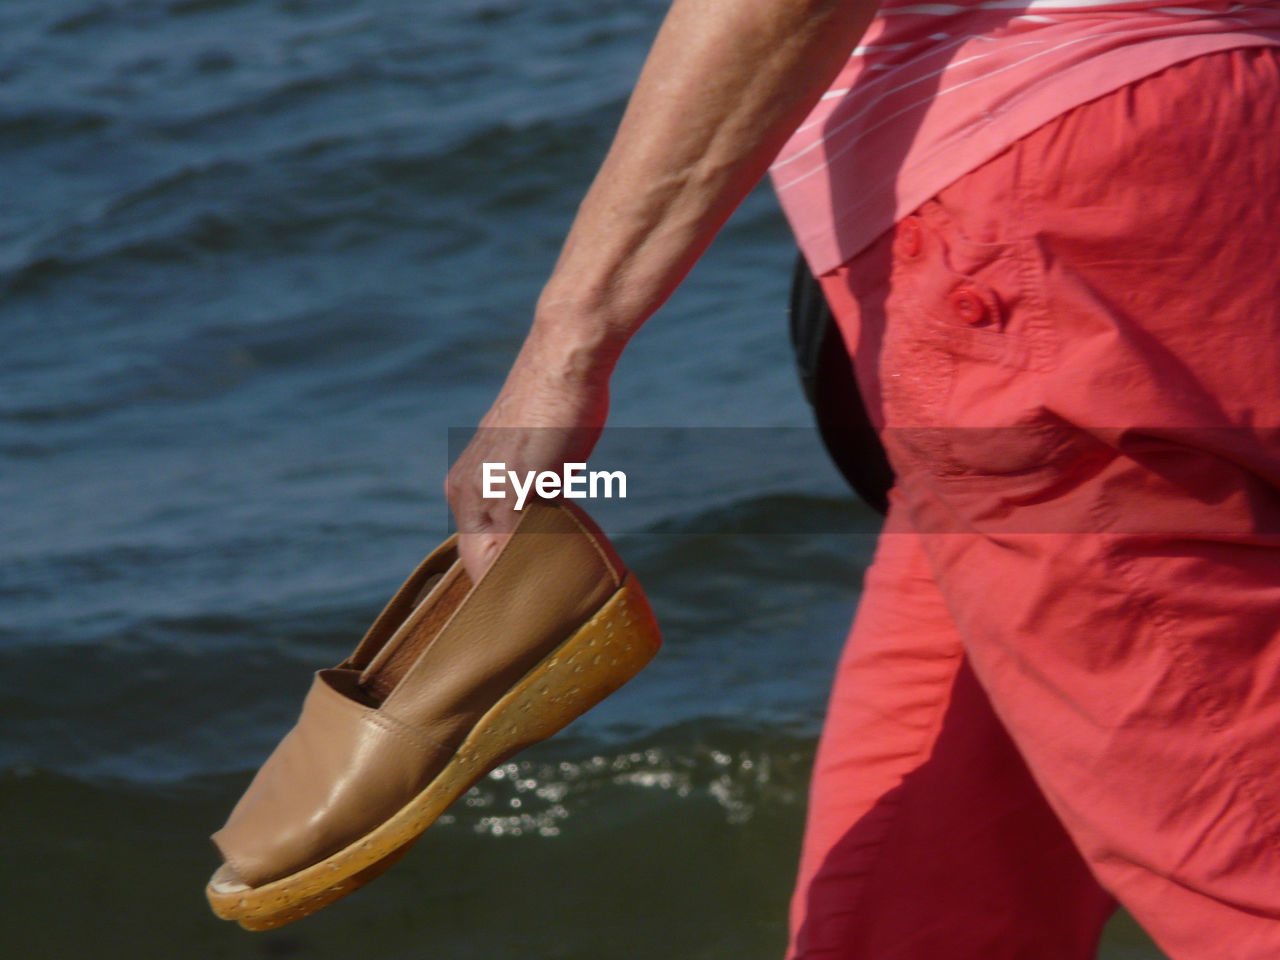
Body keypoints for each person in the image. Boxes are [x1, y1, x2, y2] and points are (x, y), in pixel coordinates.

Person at [446, 1, 1280, 957]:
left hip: (1035, 226)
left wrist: (567, 348)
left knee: (1244, 877)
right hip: (1223, 151)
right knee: (905, 903)